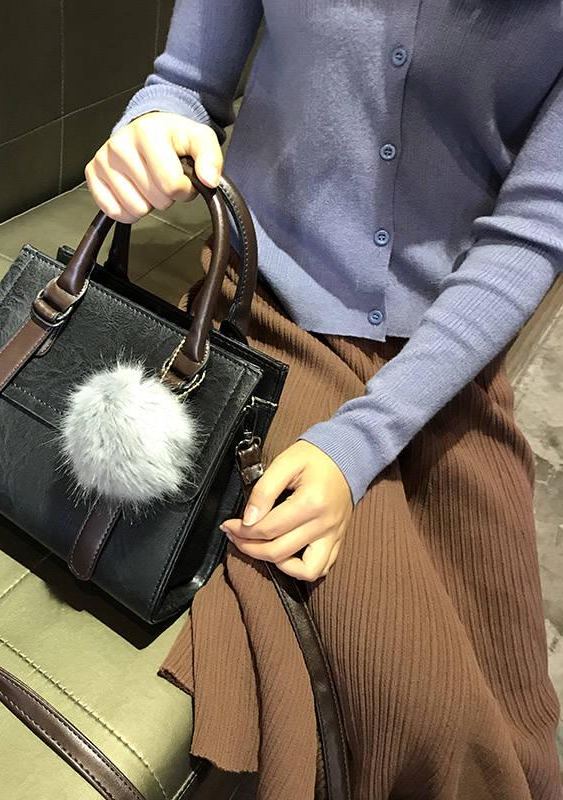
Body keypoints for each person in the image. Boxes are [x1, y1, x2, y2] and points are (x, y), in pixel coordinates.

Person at [85, 2, 562, 797]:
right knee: (428, 713)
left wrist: (358, 443)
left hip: (447, 345)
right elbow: (184, 83)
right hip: (266, 307)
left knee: (515, 689)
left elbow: (536, 228)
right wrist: (153, 125)